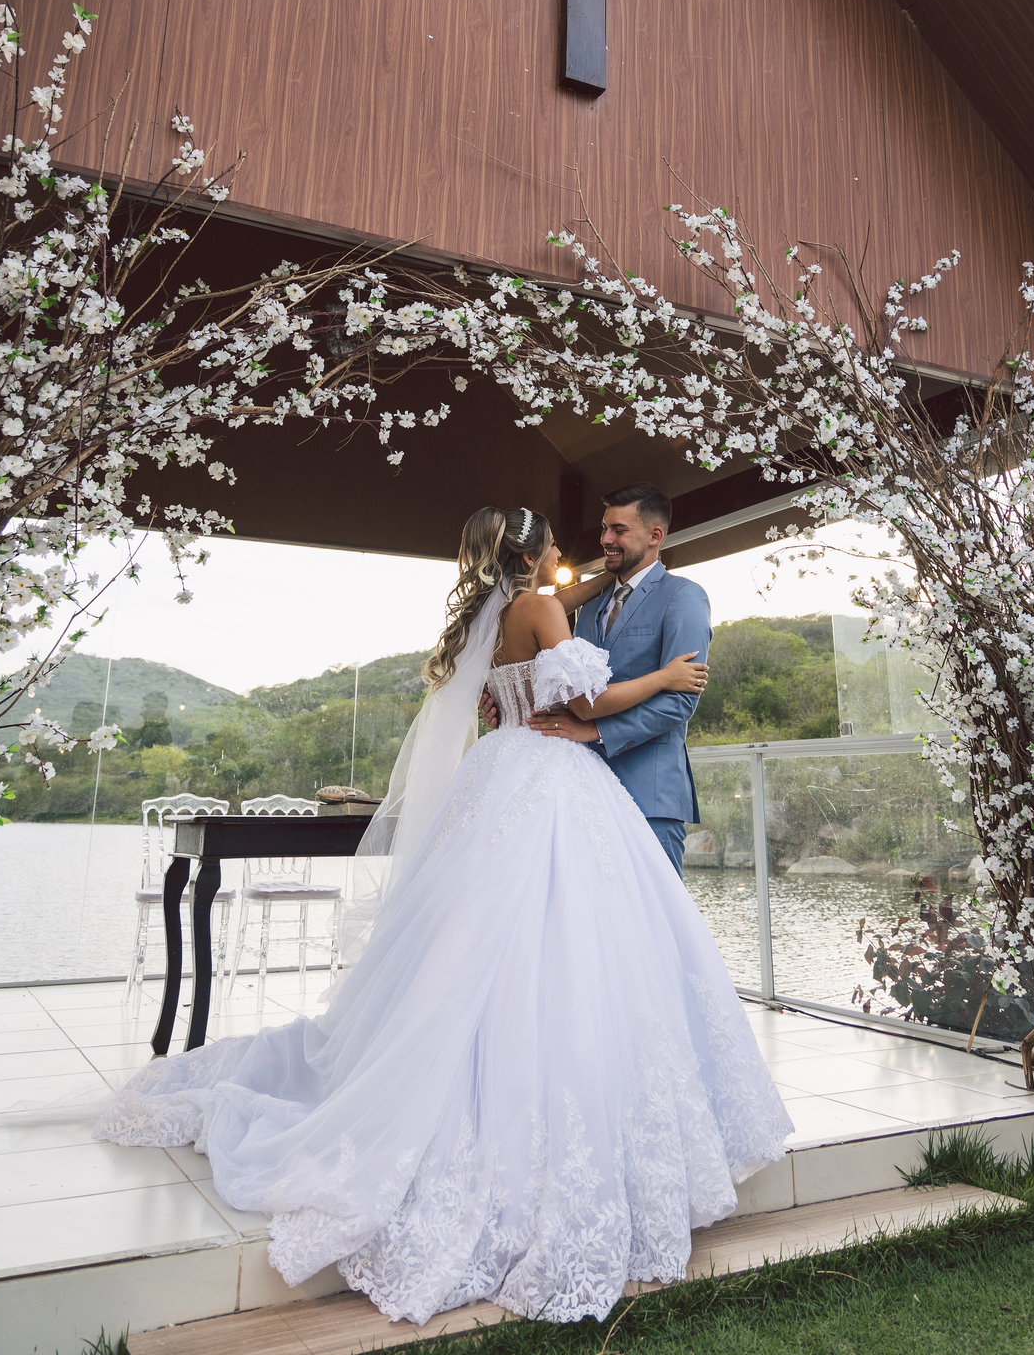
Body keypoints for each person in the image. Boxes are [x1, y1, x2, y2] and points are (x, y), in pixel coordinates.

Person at [95, 506, 792, 1326]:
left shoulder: (491, 619)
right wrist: (666, 679)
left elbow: (519, 671)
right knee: (562, 939)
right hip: (551, 770)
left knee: (483, 940)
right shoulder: (541, 607)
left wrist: (566, 664)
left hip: (499, 772)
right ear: (532, 555)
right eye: (555, 543)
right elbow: (593, 700)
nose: (568, 551)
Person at [496, 481, 710, 878]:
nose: (605, 539)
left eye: (618, 530)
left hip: (649, 794)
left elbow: (681, 701)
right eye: (604, 528)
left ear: (655, 536)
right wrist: (505, 698)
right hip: (577, 793)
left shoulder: (684, 596)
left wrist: (595, 731)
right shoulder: (588, 604)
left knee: (655, 911)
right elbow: (556, 678)